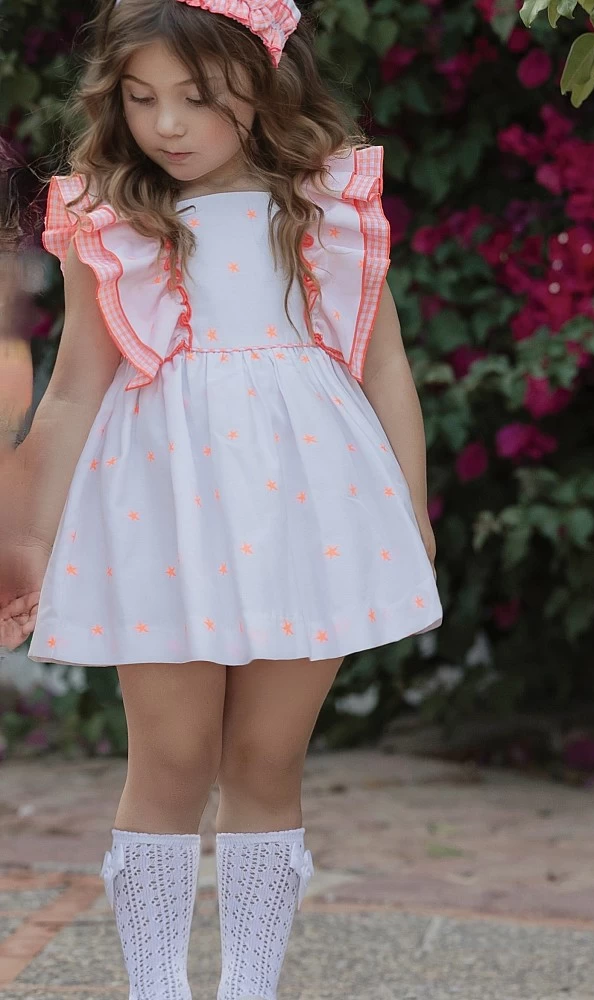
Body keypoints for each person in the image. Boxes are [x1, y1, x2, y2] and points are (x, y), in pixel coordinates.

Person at [0, 0, 443, 997]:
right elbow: (73, 388)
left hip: (310, 503)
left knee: (264, 756)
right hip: (159, 508)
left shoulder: (325, 203)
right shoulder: (110, 216)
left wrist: (405, 513)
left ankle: (249, 987)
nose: (165, 125)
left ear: (260, 81)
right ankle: (157, 987)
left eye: (196, 98)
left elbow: (383, 367)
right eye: (142, 97)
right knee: (171, 754)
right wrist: (21, 536)